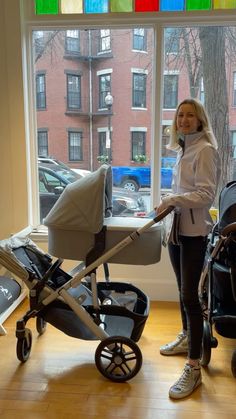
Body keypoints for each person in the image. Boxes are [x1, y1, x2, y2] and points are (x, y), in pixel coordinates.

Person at [155, 98, 221, 399]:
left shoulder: (205, 150)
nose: (183, 119)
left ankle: (193, 368)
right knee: (183, 290)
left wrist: (172, 201)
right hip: (177, 232)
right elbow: (184, 190)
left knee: (190, 297)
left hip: (194, 233)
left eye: (189, 115)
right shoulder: (183, 148)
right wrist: (169, 200)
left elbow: (205, 194)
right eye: (180, 114)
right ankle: (186, 337)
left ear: (199, 120)